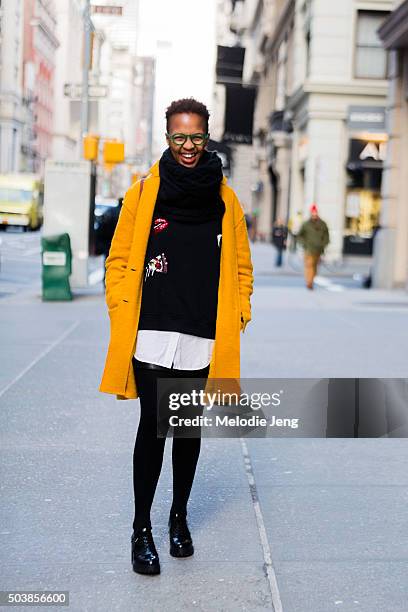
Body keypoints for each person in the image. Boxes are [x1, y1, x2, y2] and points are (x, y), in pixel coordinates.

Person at [99, 98, 254, 576]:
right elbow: (119, 258)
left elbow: (242, 267)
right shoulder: (144, 192)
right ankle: (141, 528)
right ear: (167, 138)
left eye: (196, 137)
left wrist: (239, 312)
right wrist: (119, 303)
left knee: (187, 429)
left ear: (207, 138)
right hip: (150, 331)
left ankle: (178, 517)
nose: (188, 146)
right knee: (153, 426)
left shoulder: (226, 200)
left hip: (202, 335)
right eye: (179, 137)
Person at [297, 204, 329, 289]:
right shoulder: (306, 224)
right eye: (313, 213)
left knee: (315, 267)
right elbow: (300, 235)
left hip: (318, 249)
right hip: (308, 249)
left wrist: (324, 244)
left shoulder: (322, 224)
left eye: (315, 212)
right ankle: (309, 282)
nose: (314, 214)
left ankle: (312, 279)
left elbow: (326, 236)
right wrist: (303, 244)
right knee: (309, 266)